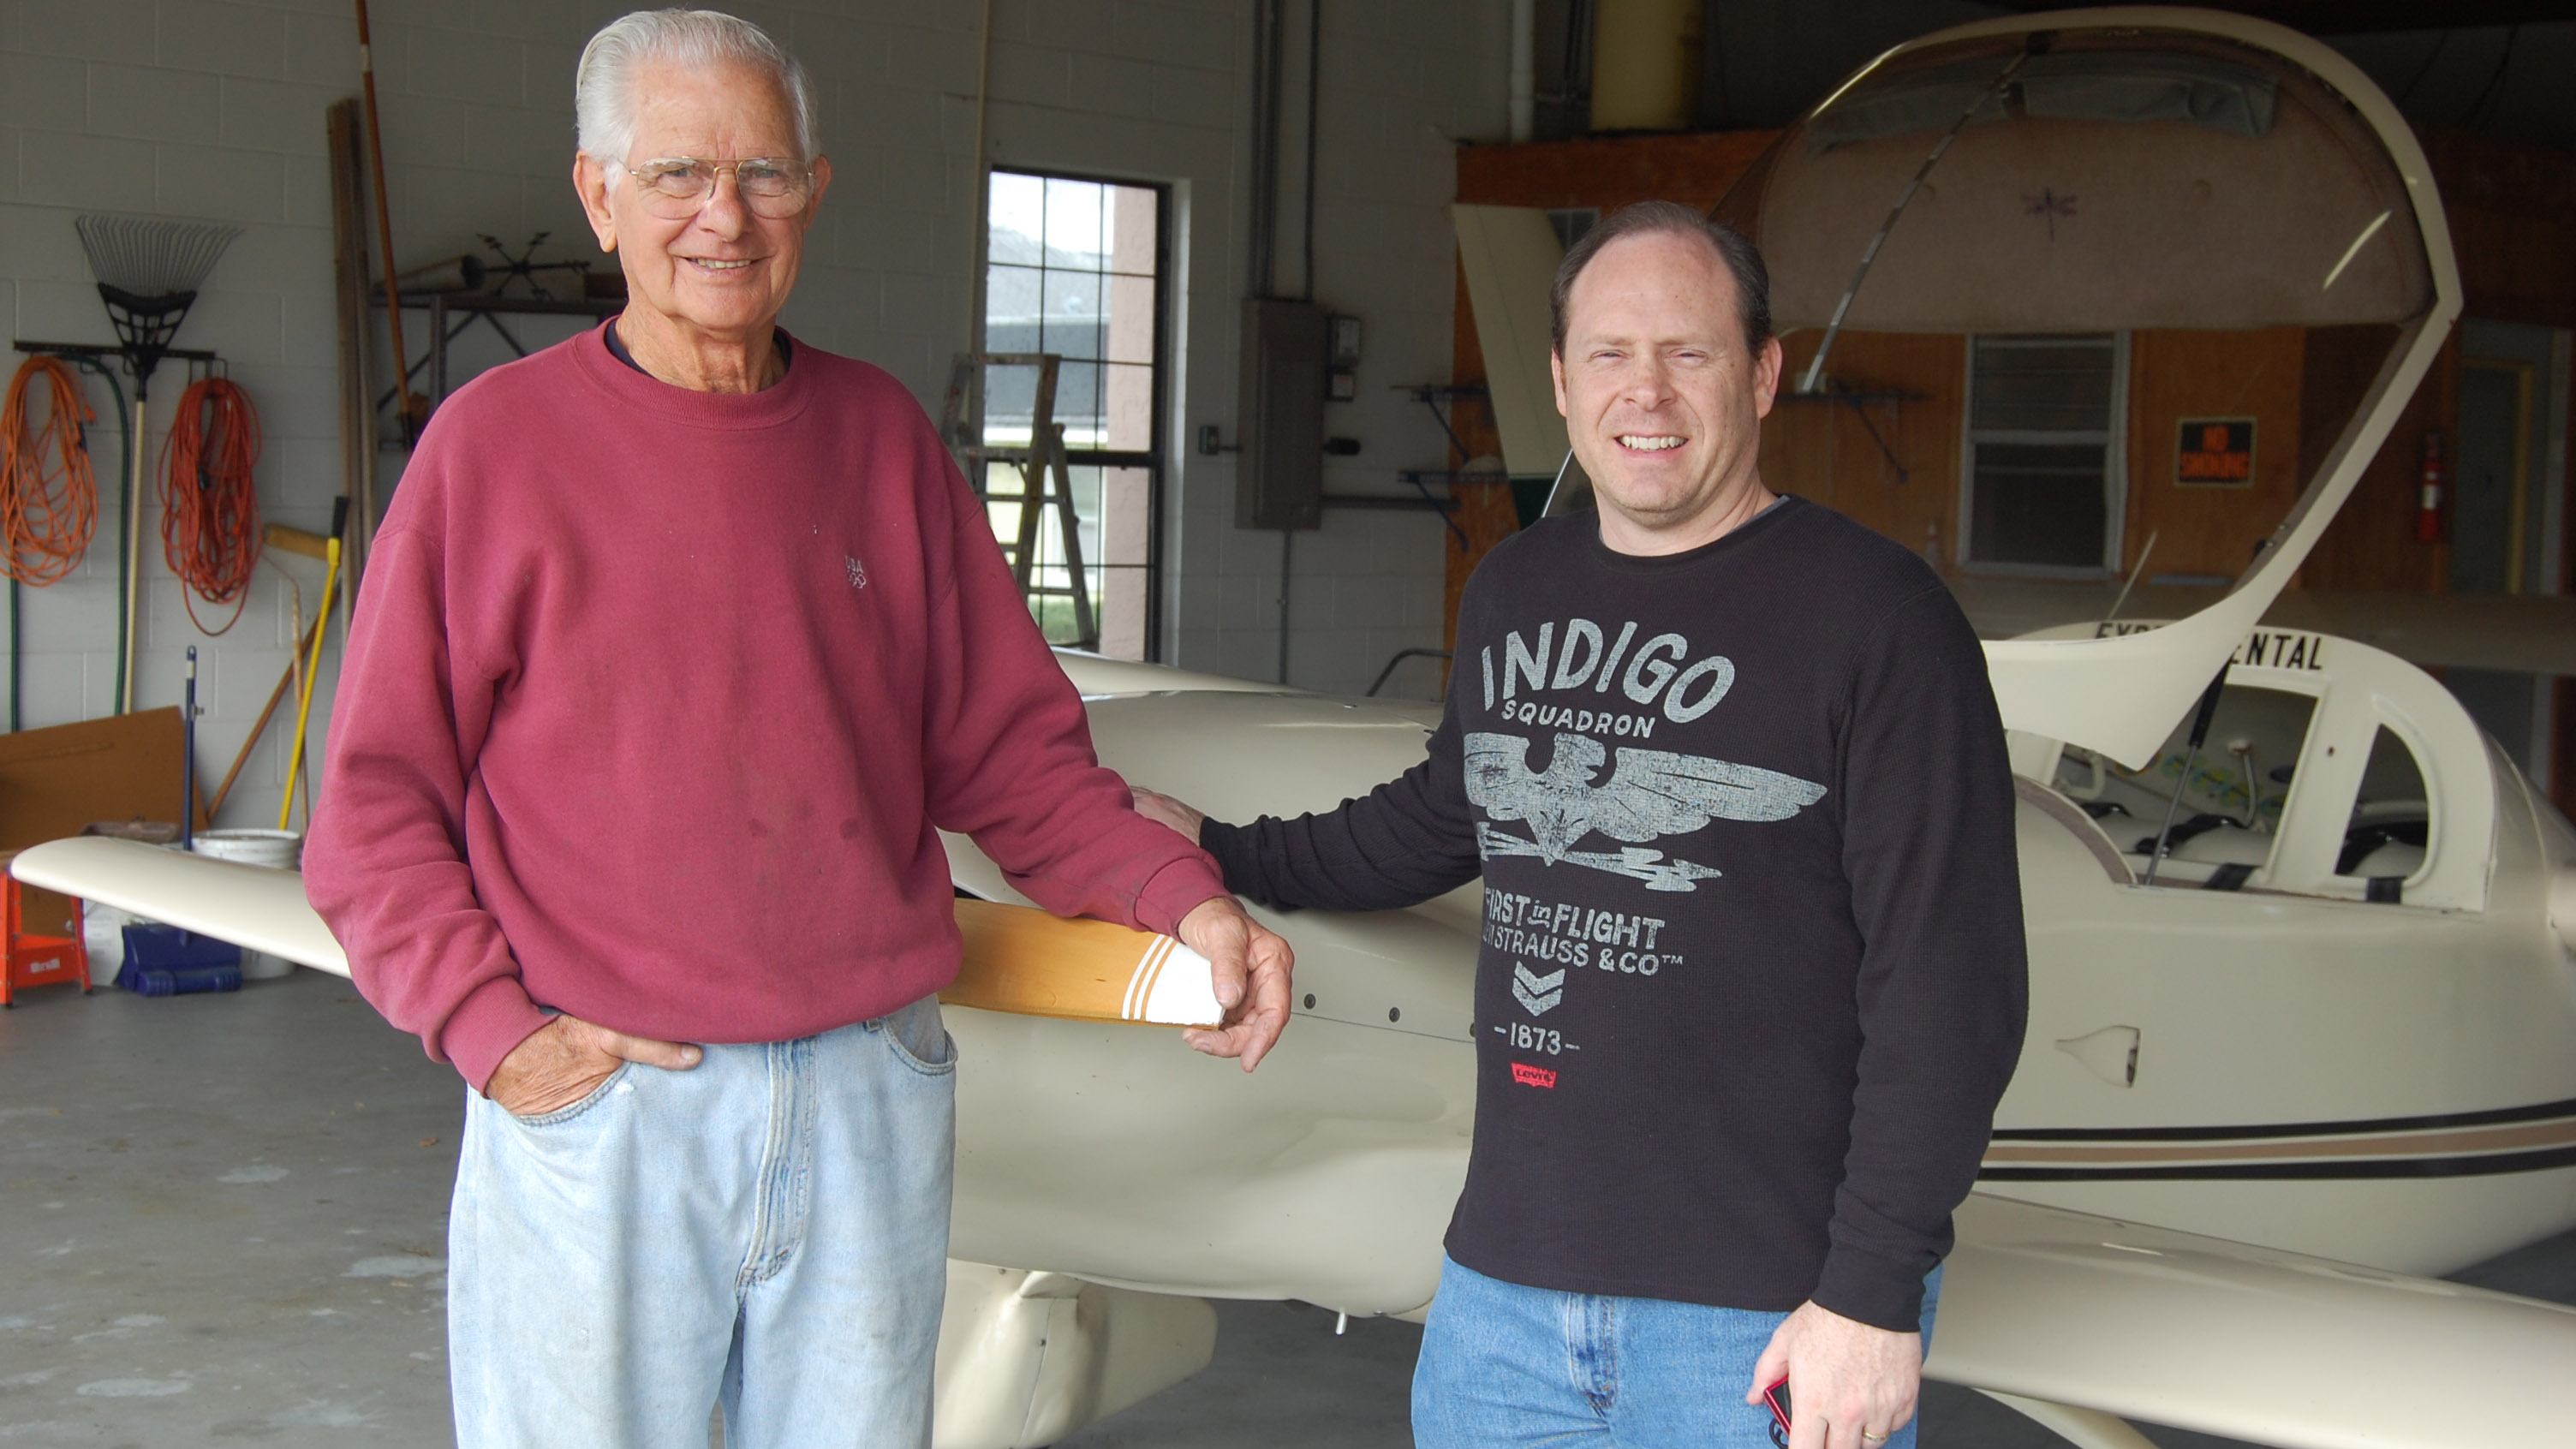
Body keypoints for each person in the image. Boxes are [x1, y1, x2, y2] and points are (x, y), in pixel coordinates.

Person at [304, 10, 1291, 1447]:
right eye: (676, 175)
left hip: (866, 1094)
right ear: (596, 193)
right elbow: (376, 806)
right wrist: (491, 1032)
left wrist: (1180, 901)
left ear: (815, 189)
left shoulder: (882, 439)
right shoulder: (491, 451)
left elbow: (1011, 756)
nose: (724, 215)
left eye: (764, 174)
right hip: (610, 1104)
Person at [1135, 200, 2025, 1449]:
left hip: (1763, 1313)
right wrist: (1217, 850)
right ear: (1560, 382)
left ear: (1763, 374)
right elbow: (1447, 815)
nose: (1645, 394)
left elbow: (1952, 989)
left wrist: (1871, 1299)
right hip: (1506, 1300)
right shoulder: (1521, 583)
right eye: (1610, 354)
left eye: (1690, 352)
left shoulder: (1881, 621)